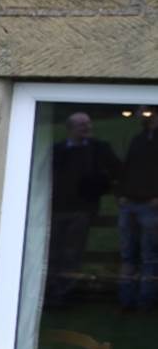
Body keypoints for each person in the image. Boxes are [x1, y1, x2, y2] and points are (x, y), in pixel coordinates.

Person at [46, 112, 119, 306]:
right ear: (70, 128)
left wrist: (99, 187)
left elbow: (115, 171)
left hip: (81, 210)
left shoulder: (98, 149)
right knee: (52, 253)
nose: (86, 128)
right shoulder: (58, 150)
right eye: (81, 125)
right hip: (56, 209)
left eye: (88, 124)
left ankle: (64, 295)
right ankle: (48, 293)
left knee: (72, 254)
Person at [117, 109, 158, 312]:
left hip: (150, 204)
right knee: (128, 253)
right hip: (130, 202)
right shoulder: (138, 139)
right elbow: (128, 167)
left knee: (148, 255)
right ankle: (126, 299)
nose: (147, 116)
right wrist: (122, 194)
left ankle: (145, 300)